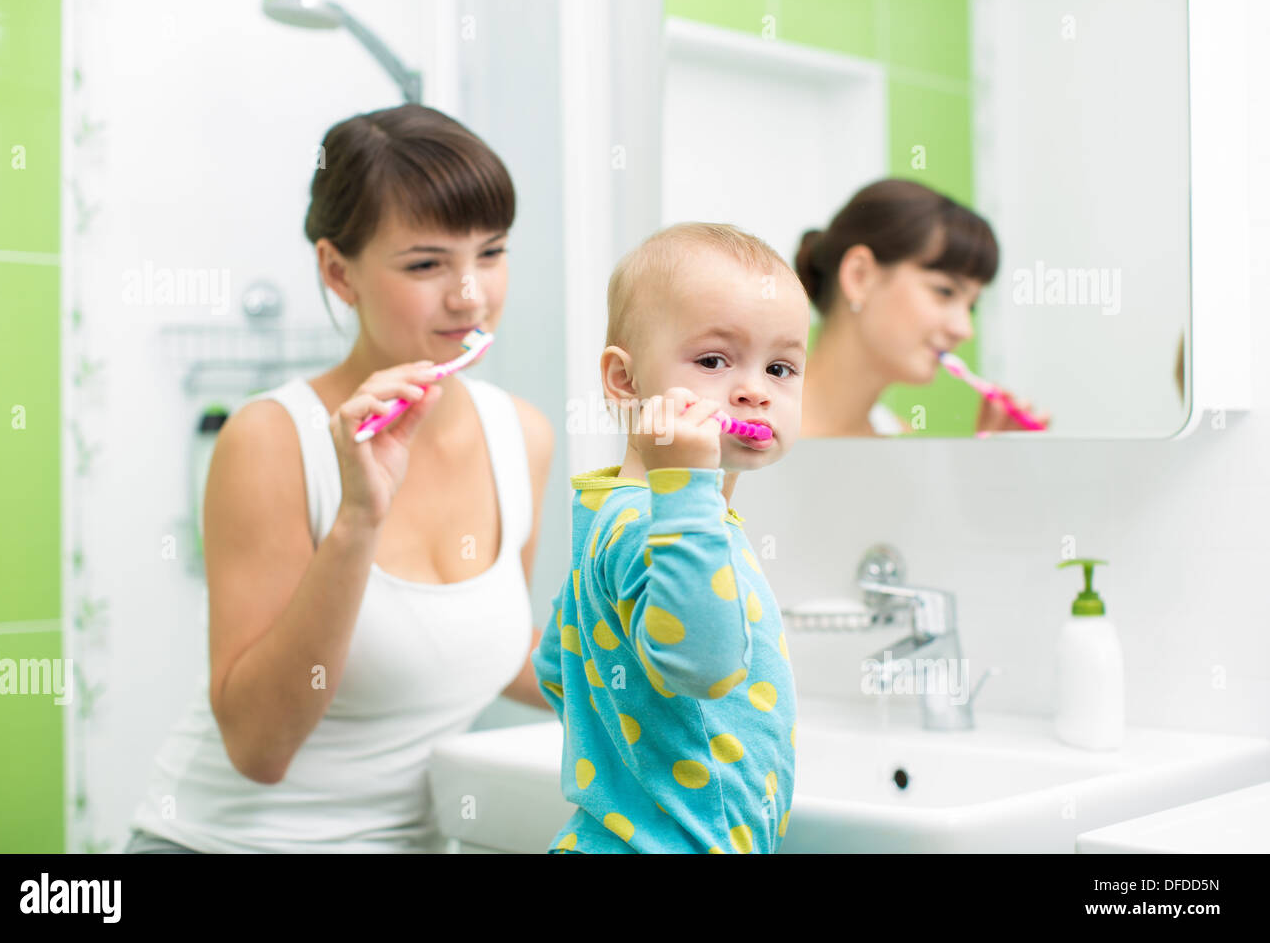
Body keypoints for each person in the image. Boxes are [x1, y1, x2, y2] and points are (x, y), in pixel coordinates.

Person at [124, 104, 554, 853]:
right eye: (426, 264)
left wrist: (656, 675)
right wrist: (358, 520)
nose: (471, 295)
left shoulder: (523, 434)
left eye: (491, 252)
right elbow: (259, 749)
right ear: (337, 271)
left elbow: (499, 650)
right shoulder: (268, 440)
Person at [531, 223, 809, 853]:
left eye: (781, 367)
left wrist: (634, 751)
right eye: (714, 360)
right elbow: (705, 666)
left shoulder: (622, 515)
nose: (754, 390)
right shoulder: (657, 521)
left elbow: (556, 664)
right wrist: (684, 485)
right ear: (625, 382)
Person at [795, 178, 1050, 436]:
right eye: (945, 291)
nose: (964, 330)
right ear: (859, 276)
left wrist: (987, 462)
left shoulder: (899, 440)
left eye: (971, 307)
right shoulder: (759, 432)